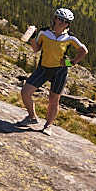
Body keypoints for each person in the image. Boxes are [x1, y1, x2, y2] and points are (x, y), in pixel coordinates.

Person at [16, 7, 89, 135]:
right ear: (55, 18)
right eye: (60, 19)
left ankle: (48, 125)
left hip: (59, 72)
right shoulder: (44, 32)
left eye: (66, 21)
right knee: (25, 93)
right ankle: (32, 117)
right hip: (43, 68)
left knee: (53, 101)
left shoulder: (69, 37)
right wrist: (32, 37)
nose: (62, 23)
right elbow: (36, 49)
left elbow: (83, 51)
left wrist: (70, 63)